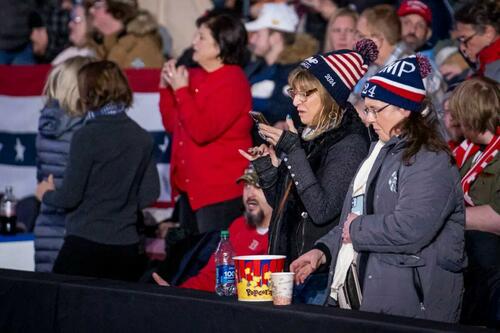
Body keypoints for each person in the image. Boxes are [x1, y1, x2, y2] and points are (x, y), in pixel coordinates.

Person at [291, 55, 466, 322]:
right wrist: (323, 252)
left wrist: (355, 229)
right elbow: (354, 218)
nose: (368, 118)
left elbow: (411, 228)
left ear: (404, 109)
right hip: (368, 297)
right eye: (367, 109)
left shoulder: (429, 159)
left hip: (409, 306)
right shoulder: (379, 151)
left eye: (375, 109)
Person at [240, 39, 377, 303]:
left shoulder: (349, 142)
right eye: (294, 93)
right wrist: (266, 169)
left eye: (306, 93)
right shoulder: (308, 132)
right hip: (290, 268)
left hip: (318, 276)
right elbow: (285, 205)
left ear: (329, 95)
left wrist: (292, 151)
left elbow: (322, 209)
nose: (297, 101)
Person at [35, 60, 160, 281]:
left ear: (87, 93)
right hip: (126, 247)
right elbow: (150, 194)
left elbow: (70, 197)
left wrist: (45, 193)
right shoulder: (142, 137)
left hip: (85, 245)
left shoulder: (86, 136)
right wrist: (121, 205)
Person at [159, 12, 252, 236]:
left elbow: (202, 131)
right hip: (191, 190)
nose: (193, 43)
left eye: (201, 37)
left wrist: (180, 91)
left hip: (218, 193)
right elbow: (175, 125)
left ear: (220, 46)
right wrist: (166, 89)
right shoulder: (196, 76)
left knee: (213, 258)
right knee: (191, 259)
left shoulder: (232, 81)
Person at [152, 166, 271, 291]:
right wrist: (179, 293)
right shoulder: (238, 226)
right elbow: (212, 275)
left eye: (258, 186)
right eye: (247, 185)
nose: (249, 194)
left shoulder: (285, 234)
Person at [33, 56, 94, 273]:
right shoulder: (85, 131)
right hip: (76, 230)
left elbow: (42, 176)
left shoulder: (46, 126)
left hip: (47, 225)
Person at [448, 77, 500, 327]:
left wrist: (446, 217)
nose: (454, 123)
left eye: (457, 116)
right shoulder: (471, 150)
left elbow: (497, 218)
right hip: (471, 268)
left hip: (490, 271)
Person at [245, 3, 319, 127]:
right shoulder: (256, 66)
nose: (252, 40)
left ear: (275, 37)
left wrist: (245, 102)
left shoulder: (295, 74)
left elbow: (288, 111)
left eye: (258, 34)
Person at [88, 0, 163, 68]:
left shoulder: (142, 46)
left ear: (118, 10)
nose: (91, 10)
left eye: (97, 5)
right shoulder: (100, 46)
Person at [453, 0, 500, 82]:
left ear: (488, 33)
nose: (462, 48)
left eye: (464, 38)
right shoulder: (482, 64)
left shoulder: (494, 73)